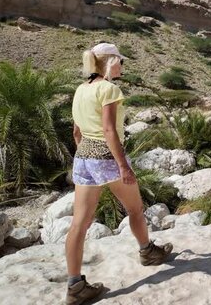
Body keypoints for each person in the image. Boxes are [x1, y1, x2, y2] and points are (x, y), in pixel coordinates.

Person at [65, 43, 173, 305]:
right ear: (111, 62)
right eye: (120, 62)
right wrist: (123, 165)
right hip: (106, 157)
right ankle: (147, 252)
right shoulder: (109, 89)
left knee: (79, 223)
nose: (122, 66)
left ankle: (75, 285)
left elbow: (77, 132)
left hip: (84, 158)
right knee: (135, 209)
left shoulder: (81, 89)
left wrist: (86, 153)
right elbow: (110, 131)